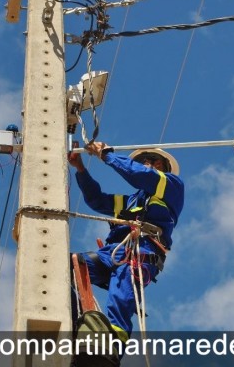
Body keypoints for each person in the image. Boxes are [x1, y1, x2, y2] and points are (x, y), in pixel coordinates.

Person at [68, 141, 185, 343]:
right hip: (113, 253)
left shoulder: (172, 186)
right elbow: (97, 200)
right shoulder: (132, 201)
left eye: (153, 161)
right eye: (143, 160)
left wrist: (107, 155)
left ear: (163, 167)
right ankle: (75, 329)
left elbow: (141, 175)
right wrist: (80, 169)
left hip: (141, 250)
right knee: (70, 267)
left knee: (120, 297)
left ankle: (110, 349)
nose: (147, 163)